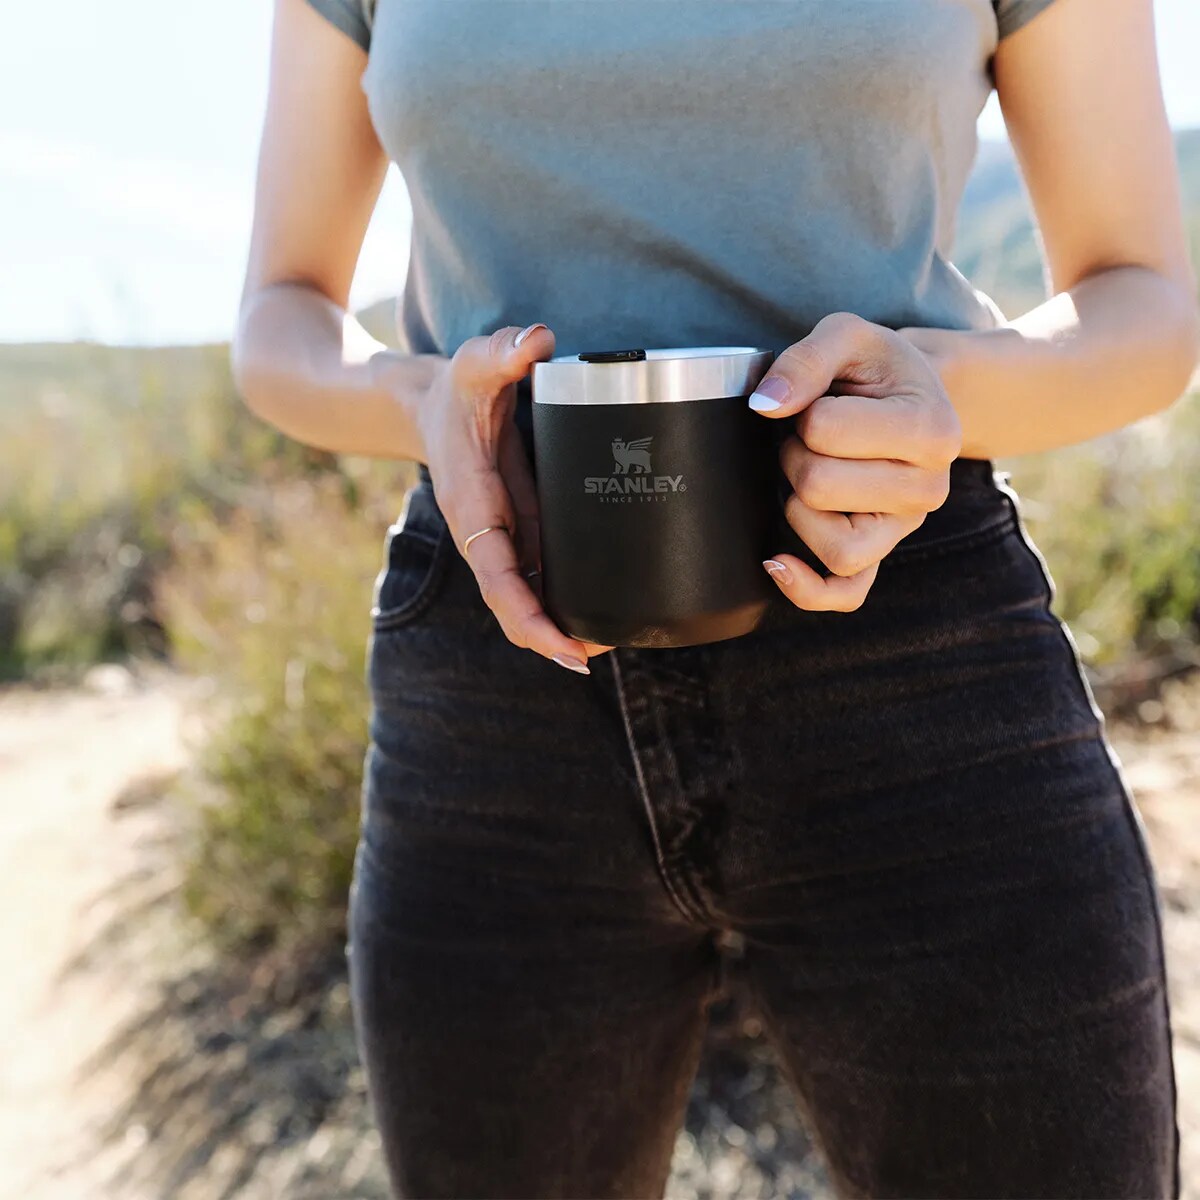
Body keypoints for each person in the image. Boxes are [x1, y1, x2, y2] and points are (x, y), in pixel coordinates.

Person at [233, 0, 1199, 1195]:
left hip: (910, 654)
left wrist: (935, 391)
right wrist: (422, 405)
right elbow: (281, 311)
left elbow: (1142, 301)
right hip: (498, 674)